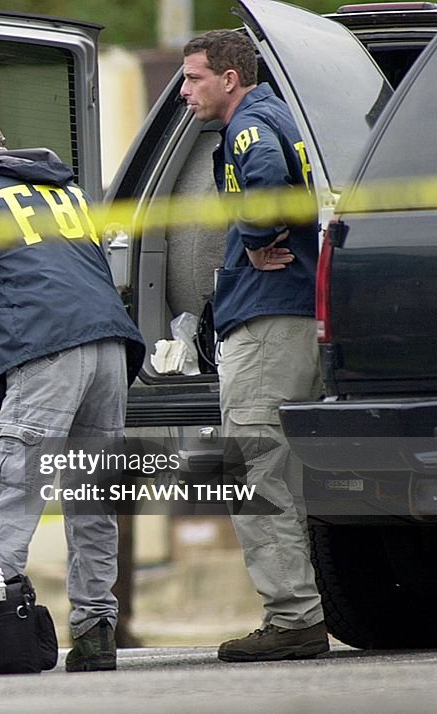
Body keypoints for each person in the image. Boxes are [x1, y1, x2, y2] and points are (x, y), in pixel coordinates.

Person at [0, 117, 146, 672]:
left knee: (11, 485)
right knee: (91, 497)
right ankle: (97, 632)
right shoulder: (65, 189)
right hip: (110, 346)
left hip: (46, 349)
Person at [179, 30, 328, 662]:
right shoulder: (280, 117)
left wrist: (251, 235)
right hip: (289, 318)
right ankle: (301, 610)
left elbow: (265, 183)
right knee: (281, 474)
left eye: (193, 78)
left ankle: (293, 616)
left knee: (248, 469)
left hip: (268, 320)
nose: (185, 91)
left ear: (230, 79)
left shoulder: (250, 128)